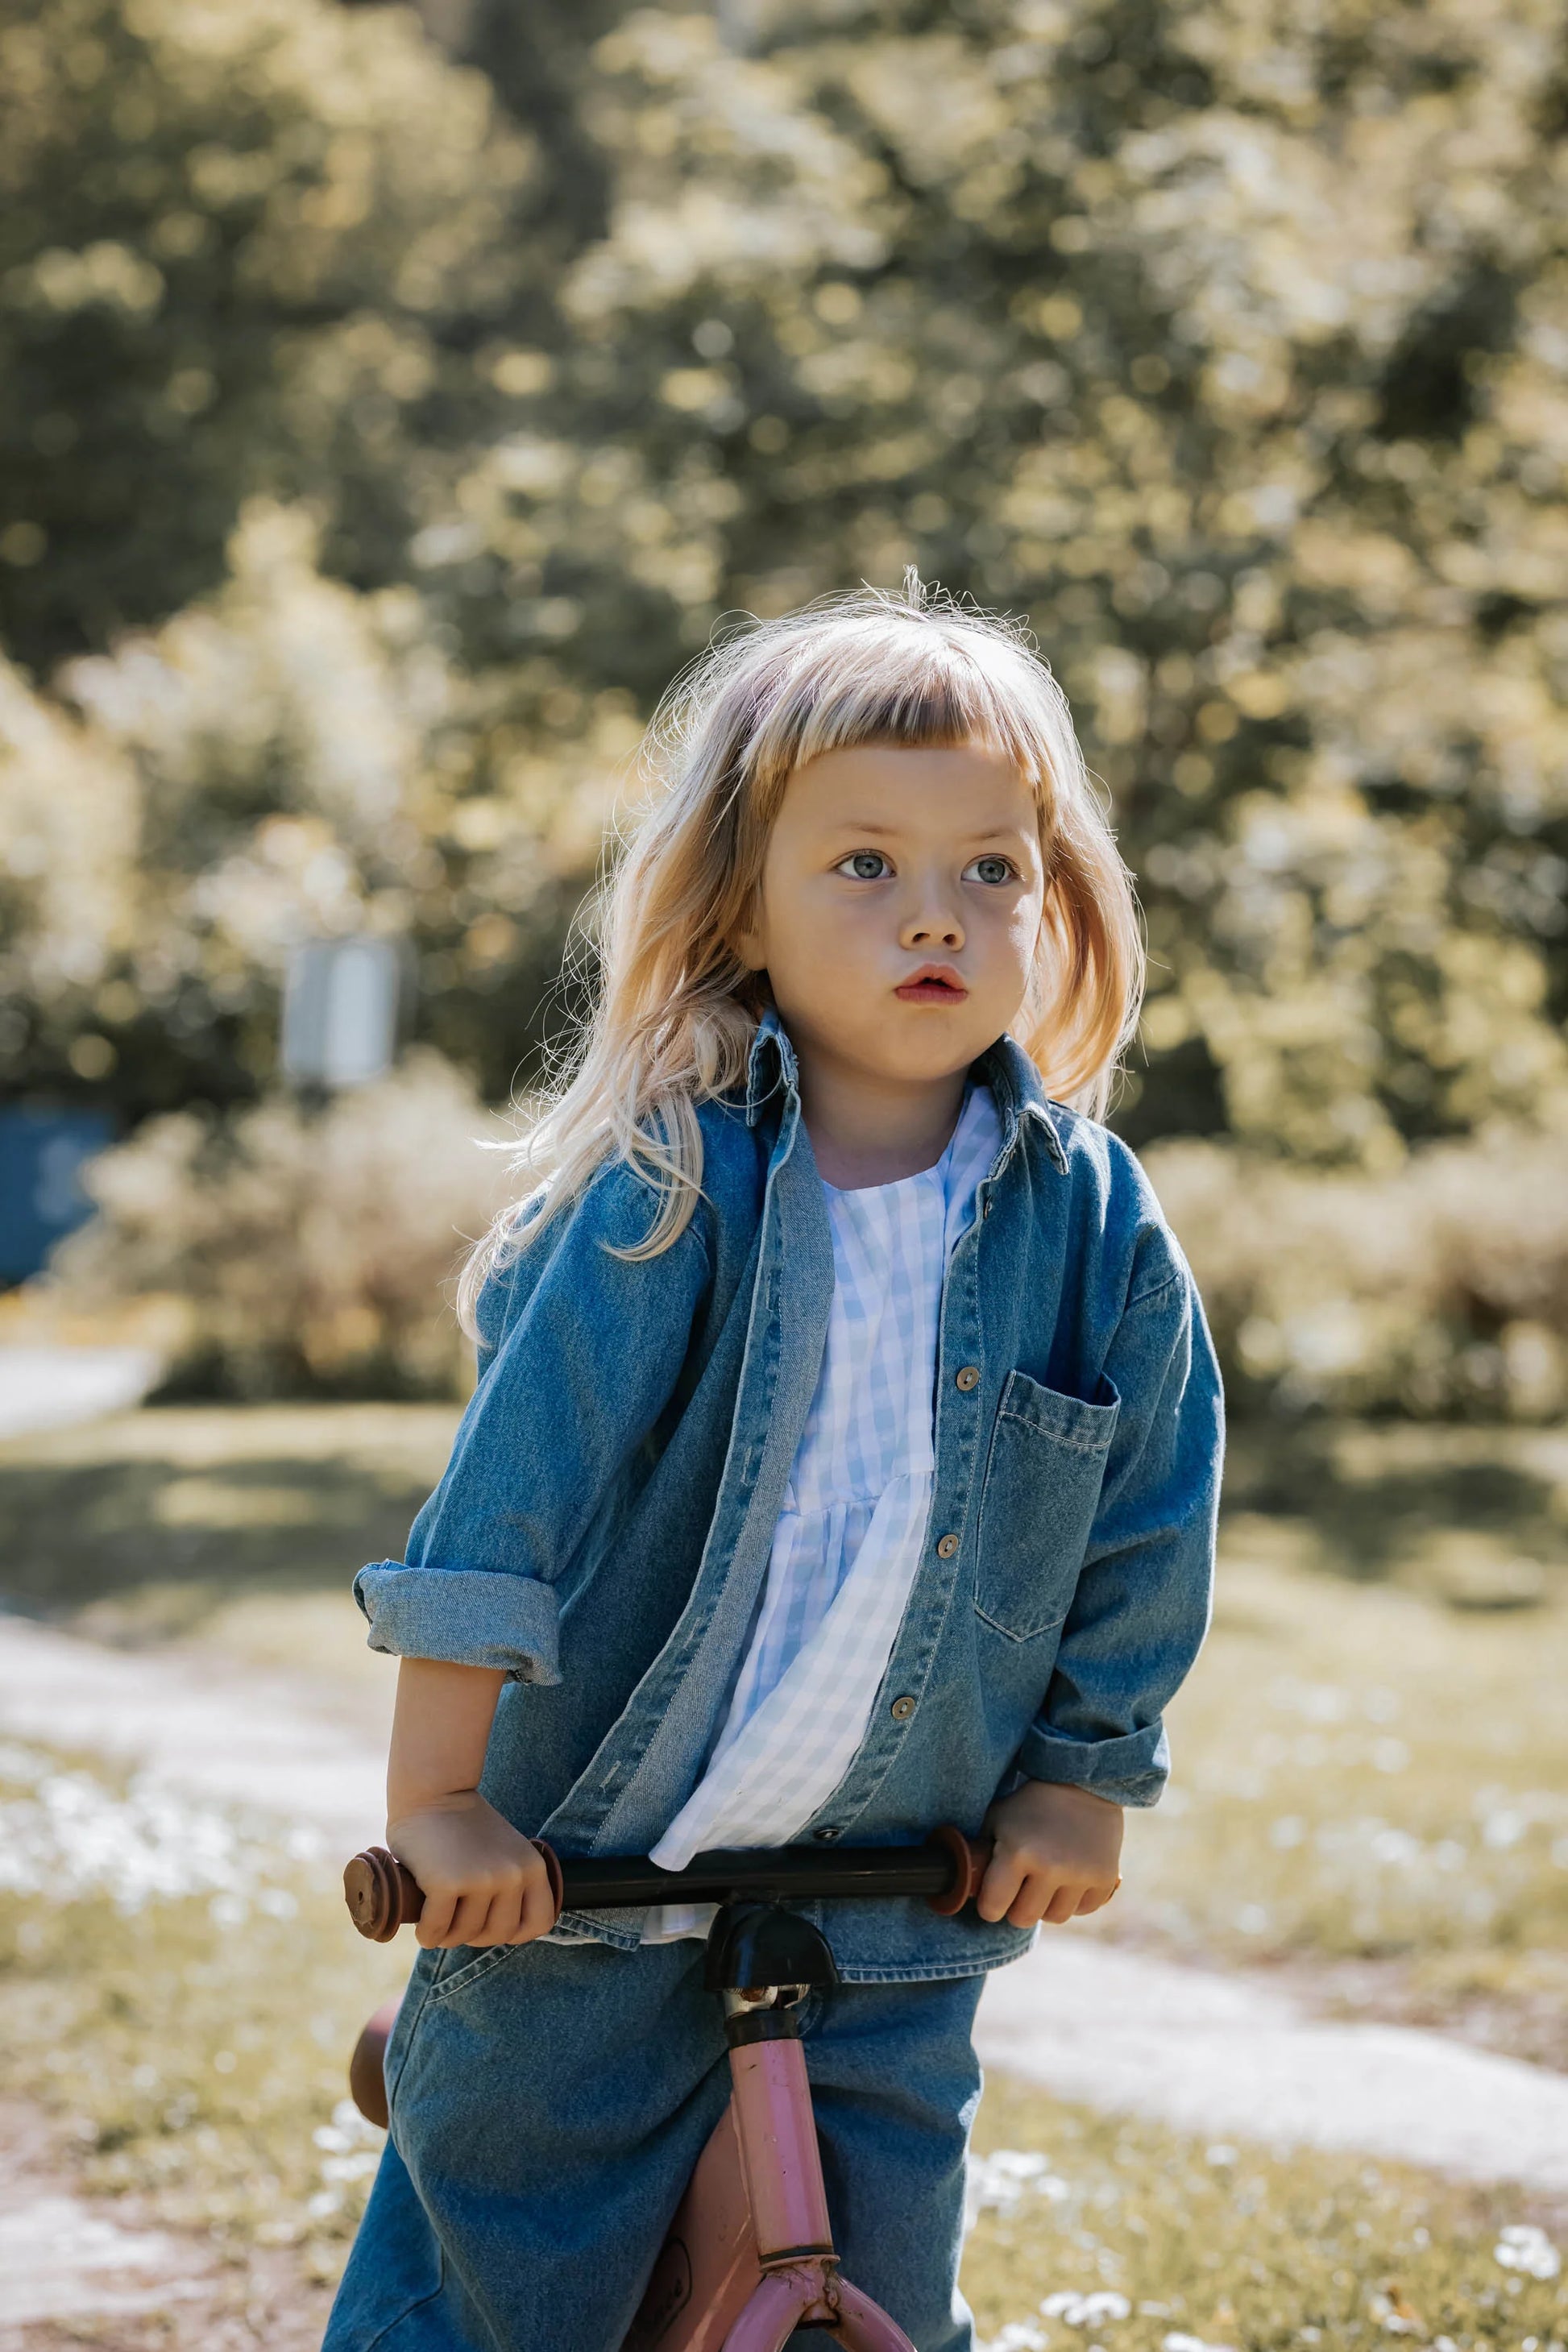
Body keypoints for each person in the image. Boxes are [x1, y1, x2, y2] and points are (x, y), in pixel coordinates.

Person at [324, 580, 1223, 2352]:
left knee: (879, 2299)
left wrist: (1084, 1775)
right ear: (742, 898)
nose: (935, 914)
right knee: (507, 2288)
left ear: (1058, 903)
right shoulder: (671, 1195)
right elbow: (507, 1508)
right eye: (864, 863)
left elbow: (1145, 1524)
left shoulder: (1097, 1230)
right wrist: (441, 1805)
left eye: (993, 868)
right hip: (580, 1889)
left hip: (897, 1902)